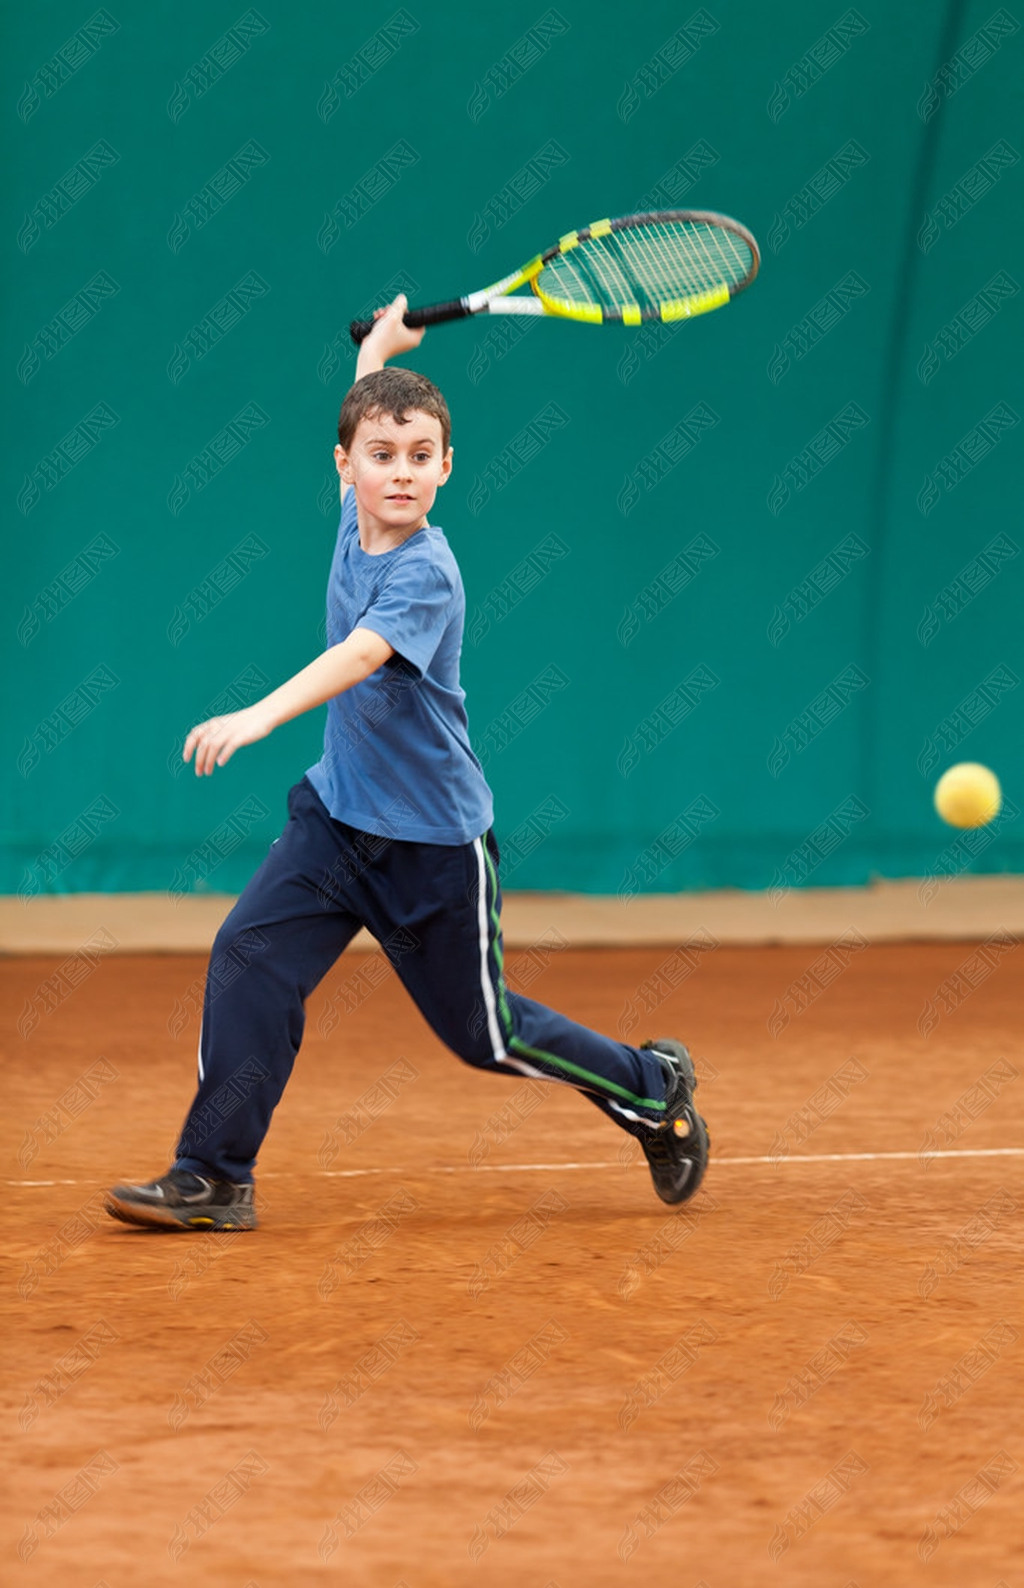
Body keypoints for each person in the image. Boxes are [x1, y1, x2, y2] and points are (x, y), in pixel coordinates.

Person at [105, 297, 709, 1232]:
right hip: (336, 820)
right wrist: (379, 354)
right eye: (382, 456)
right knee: (248, 956)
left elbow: (359, 656)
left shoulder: (428, 571)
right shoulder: (354, 518)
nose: (400, 472)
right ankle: (214, 1176)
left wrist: (258, 716)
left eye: (421, 456)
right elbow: (365, 412)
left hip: (432, 849)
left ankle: (651, 1086)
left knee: (485, 1035)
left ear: (447, 469)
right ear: (344, 468)